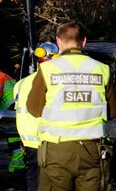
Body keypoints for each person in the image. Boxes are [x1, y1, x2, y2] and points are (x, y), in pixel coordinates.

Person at [26, 21, 116, 191]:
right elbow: (112, 112)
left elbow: (33, 108)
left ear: (58, 41)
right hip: (92, 150)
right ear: (83, 41)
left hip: (56, 149)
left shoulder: (48, 69)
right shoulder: (102, 69)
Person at [14, 42, 59, 191]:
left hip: (28, 143)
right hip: (49, 142)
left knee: (34, 179)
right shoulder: (55, 82)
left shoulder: (21, 83)